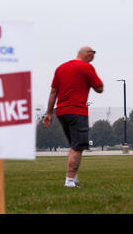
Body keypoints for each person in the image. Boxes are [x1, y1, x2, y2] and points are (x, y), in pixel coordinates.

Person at [43, 46, 104, 188]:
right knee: (78, 147)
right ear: (87, 54)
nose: (93, 57)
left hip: (61, 111)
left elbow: (53, 92)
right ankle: (69, 181)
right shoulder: (86, 68)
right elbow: (99, 88)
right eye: (93, 54)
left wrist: (49, 113)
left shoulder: (60, 68)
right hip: (77, 111)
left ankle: (73, 179)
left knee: (73, 146)